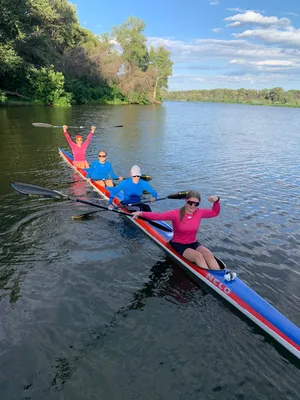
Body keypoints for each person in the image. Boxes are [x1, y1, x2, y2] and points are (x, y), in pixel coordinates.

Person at [132, 190, 221, 270]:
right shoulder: (175, 213)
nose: (193, 206)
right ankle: (209, 278)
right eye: (190, 203)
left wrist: (217, 200)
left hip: (193, 243)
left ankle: (219, 276)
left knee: (208, 253)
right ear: (186, 201)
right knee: (198, 256)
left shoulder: (200, 212)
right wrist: (141, 213)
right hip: (179, 244)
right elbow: (159, 216)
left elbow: (215, 212)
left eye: (196, 204)